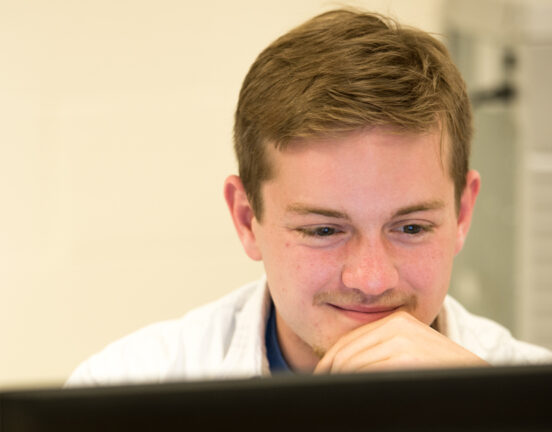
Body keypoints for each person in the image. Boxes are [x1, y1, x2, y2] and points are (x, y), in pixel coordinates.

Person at [66, 8, 552, 386]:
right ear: (244, 217)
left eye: (411, 228)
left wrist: (487, 412)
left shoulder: (533, 406)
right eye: (323, 230)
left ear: (463, 212)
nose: (371, 280)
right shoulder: (126, 392)